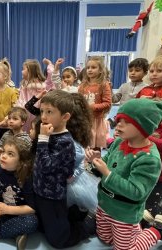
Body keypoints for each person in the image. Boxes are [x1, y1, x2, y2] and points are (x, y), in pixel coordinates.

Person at [85, 98, 162, 249]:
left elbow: (136, 192)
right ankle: (140, 223)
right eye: (119, 120)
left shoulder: (149, 159)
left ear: (144, 126)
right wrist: (95, 162)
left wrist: (107, 173)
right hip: (105, 205)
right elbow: (107, 163)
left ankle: (158, 231)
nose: (118, 124)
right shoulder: (118, 143)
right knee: (105, 239)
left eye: (126, 121)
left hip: (124, 212)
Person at [33, 90, 96, 248]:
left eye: (49, 112)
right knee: (42, 228)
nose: (44, 117)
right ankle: (73, 216)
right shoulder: (50, 133)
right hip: (40, 191)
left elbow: (45, 166)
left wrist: (42, 139)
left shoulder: (65, 142)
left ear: (65, 117)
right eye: (42, 111)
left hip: (53, 196)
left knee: (58, 241)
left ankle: (89, 224)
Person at [78, 56, 112, 149]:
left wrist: (92, 107)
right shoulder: (82, 85)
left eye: (93, 67)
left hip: (96, 121)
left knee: (95, 146)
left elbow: (107, 103)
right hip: (84, 120)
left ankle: (95, 162)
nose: (89, 70)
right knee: (83, 145)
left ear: (100, 70)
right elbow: (79, 100)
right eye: (88, 67)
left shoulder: (104, 85)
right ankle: (85, 163)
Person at [16, 59, 47, 132]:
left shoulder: (39, 87)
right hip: (24, 112)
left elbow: (36, 104)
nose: (21, 71)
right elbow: (21, 98)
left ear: (30, 71)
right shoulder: (24, 84)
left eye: (23, 69)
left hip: (32, 114)